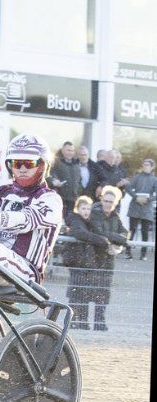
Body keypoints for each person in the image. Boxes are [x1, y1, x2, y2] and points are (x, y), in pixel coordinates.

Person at [0, 134, 64, 287]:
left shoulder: (50, 200)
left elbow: (26, 220)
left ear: (42, 165)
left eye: (29, 163)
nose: (22, 169)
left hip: (26, 272)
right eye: (16, 163)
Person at [62, 190, 129, 331]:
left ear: (115, 203)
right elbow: (99, 232)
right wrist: (112, 240)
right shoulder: (95, 215)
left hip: (107, 260)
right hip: (93, 260)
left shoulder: (115, 216)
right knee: (82, 294)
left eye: (111, 202)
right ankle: (80, 324)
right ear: (101, 200)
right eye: (105, 200)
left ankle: (98, 323)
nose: (107, 204)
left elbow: (124, 232)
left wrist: (121, 239)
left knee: (102, 293)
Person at [127, 158, 156, 261]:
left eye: (147, 165)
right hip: (135, 206)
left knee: (145, 231)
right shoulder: (137, 177)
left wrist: (148, 199)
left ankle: (143, 254)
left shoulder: (154, 179)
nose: (145, 167)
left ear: (152, 167)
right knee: (132, 230)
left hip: (146, 208)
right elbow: (128, 188)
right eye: (144, 165)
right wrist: (136, 197)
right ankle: (128, 252)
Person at [48, 141, 82, 215]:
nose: (71, 153)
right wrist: (54, 182)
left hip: (74, 199)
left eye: (72, 150)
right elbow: (51, 176)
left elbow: (79, 180)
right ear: (63, 150)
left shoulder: (76, 163)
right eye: (68, 150)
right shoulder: (56, 162)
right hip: (61, 199)